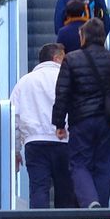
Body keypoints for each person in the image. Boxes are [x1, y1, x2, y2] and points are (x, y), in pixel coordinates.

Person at [52, 19, 110, 209]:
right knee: (104, 166)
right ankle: (101, 209)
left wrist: (59, 123)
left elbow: (62, 93)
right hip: (108, 121)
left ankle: (90, 202)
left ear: (83, 37)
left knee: (79, 164)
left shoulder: (71, 60)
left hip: (81, 121)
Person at [11, 42, 74, 210]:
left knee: (38, 190)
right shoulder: (68, 78)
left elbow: (14, 120)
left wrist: (16, 151)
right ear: (56, 58)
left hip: (34, 143)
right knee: (66, 191)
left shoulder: (23, 83)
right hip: (64, 142)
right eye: (64, 57)